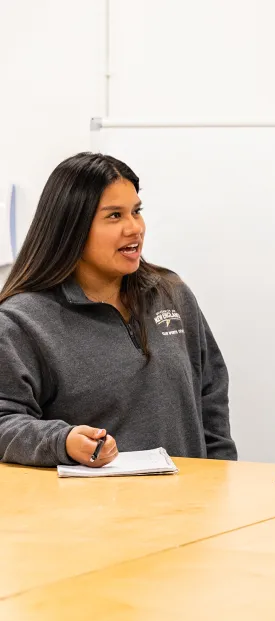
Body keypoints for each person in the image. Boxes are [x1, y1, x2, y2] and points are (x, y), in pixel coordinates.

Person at [0, 152, 237, 467]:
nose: (134, 228)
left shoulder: (170, 293)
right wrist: (62, 441)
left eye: (136, 211)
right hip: (94, 513)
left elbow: (211, 397)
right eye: (114, 216)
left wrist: (222, 475)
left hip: (191, 509)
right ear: (72, 227)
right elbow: (5, 422)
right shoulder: (21, 320)